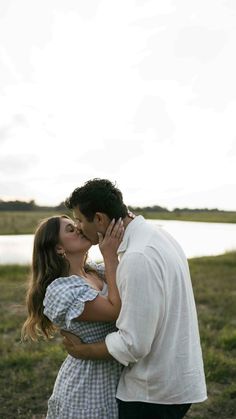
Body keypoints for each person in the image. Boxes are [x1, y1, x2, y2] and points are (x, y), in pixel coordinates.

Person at [61, 178, 207, 419]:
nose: (77, 227)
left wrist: (83, 351)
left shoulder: (137, 257)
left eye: (79, 219)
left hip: (153, 392)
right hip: (175, 382)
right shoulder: (158, 235)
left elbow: (133, 344)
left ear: (99, 219)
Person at [21, 214, 125, 419]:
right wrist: (110, 255)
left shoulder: (97, 272)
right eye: (70, 229)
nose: (78, 228)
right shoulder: (62, 290)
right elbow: (115, 310)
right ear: (59, 248)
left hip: (118, 374)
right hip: (89, 385)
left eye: (76, 224)